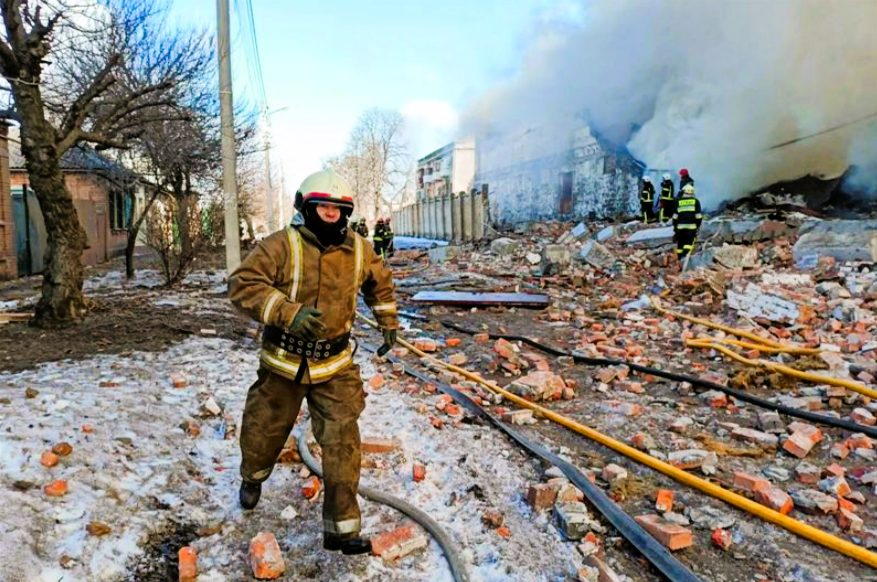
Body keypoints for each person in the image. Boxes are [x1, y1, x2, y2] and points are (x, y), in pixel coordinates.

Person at [228, 168, 399, 556]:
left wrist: (388, 320)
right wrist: (288, 313)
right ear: (305, 208)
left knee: (342, 443)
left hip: (335, 367)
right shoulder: (281, 245)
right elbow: (242, 286)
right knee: (262, 432)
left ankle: (341, 528)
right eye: (322, 208)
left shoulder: (359, 248)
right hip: (282, 366)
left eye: (338, 209)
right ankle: (252, 477)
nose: (330, 215)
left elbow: (380, 282)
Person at [672, 183, 703, 259]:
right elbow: (698, 217)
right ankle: (685, 257)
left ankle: (679, 258)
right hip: (691, 227)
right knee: (688, 243)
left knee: (680, 243)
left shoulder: (678, 202)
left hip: (680, 227)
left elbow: (675, 217)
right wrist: (697, 226)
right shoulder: (696, 202)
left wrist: (675, 228)